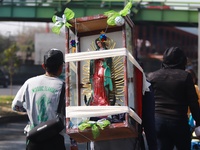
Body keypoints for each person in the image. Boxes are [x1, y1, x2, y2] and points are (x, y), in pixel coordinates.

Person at [12, 48, 66, 150]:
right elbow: (68, 116)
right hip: (55, 141)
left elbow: (15, 106)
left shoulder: (29, 83)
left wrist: (28, 108)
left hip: (34, 138)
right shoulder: (63, 86)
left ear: (43, 66)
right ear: (61, 67)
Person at [147, 47, 200, 150]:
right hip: (178, 122)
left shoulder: (152, 76)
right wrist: (198, 122)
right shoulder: (185, 77)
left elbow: (147, 102)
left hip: (158, 122)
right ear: (182, 60)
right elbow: (193, 102)